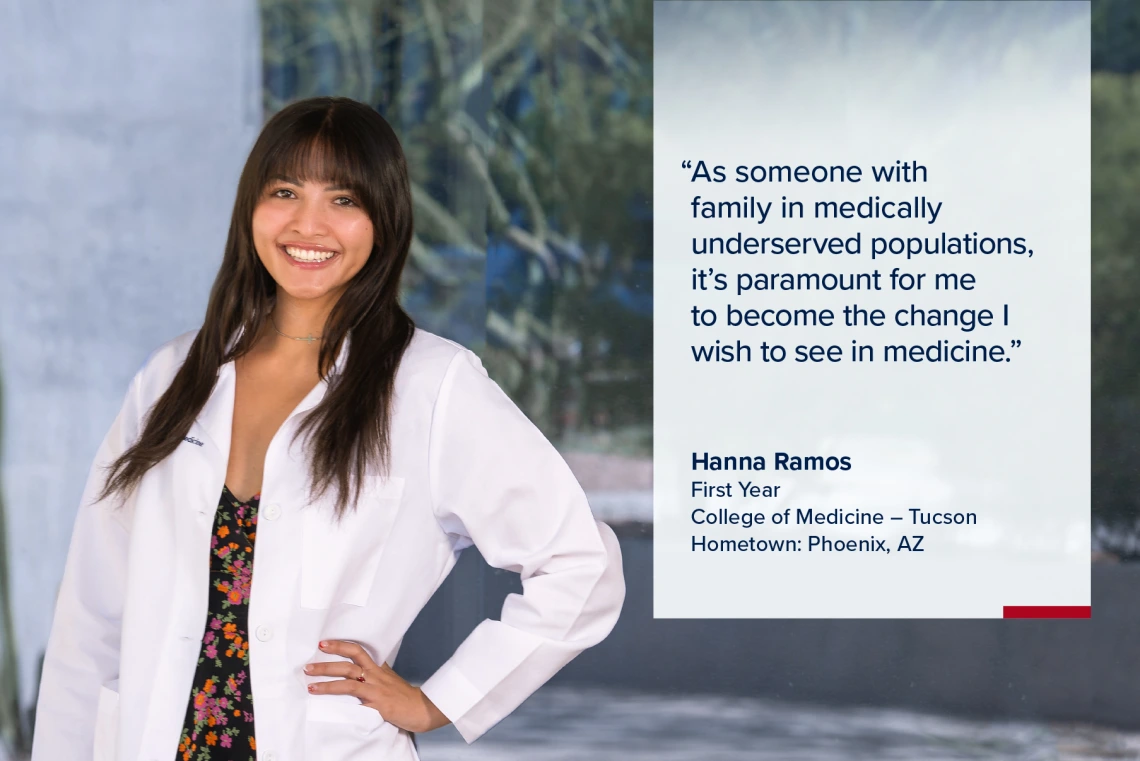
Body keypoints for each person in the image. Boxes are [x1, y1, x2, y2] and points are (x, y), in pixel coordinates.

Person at [30, 96, 626, 761]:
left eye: (343, 200)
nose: (307, 224)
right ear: (251, 207)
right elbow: (92, 611)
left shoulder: (430, 385)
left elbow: (580, 563)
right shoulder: (171, 376)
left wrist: (442, 699)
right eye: (284, 191)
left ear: (383, 220)